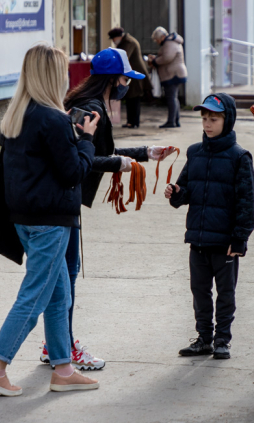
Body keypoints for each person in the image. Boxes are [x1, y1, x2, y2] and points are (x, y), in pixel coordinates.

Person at [0, 43, 100, 396]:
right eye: (63, 72)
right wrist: (86, 140)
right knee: (33, 297)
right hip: (51, 221)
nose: (67, 77)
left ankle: (63, 369)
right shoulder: (54, 119)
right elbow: (73, 173)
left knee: (59, 295)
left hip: (24, 219)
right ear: (52, 76)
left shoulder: (16, 117)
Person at [54, 48, 174, 370]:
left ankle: (56, 343)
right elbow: (81, 158)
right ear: (112, 79)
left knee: (64, 274)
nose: (127, 85)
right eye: (125, 79)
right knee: (66, 274)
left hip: (67, 199)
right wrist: (118, 164)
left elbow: (102, 150)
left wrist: (146, 152)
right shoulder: (91, 108)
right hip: (63, 200)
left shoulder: (91, 104)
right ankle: (63, 346)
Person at [166, 93, 254, 360]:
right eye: (204, 118)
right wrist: (176, 193)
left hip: (225, 243)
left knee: (225, 294)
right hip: (198, 239)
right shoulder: (195, 152)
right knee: (200, 292)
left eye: (213, 119)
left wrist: (240, 238)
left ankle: (222, 340)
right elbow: (185, 191)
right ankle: (204, 338)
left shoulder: (240, 157)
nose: (207, 124)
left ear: (228, 120)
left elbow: (246, 203)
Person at [108, 27, 149, 128]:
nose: (113, 41)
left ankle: (134, 122)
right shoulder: (126, 41)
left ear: (118, 37)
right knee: (130, 98)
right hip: (132, 74)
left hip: (135, 74)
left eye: (113, 38)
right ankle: (131, 121)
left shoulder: (129, 42)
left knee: (134, 98)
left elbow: (124, 57)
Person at [148, 27, 188, 129]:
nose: (157, 42)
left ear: (162, 36)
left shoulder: (169, 43)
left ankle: (171, 121)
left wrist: (154, 61)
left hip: (172, 74)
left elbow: (167, 58)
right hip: (174, 73)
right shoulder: (171, 42)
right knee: (173, 98)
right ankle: (175, 120)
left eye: (157, 40)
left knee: (171, 98)